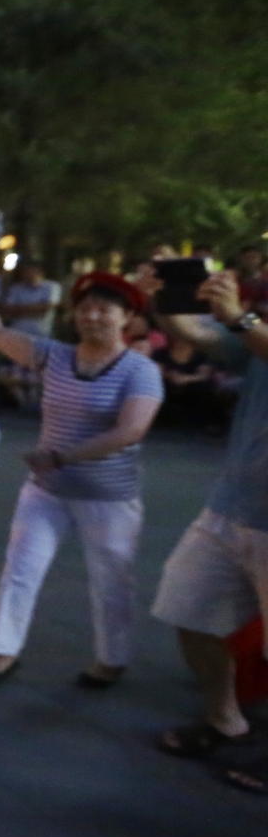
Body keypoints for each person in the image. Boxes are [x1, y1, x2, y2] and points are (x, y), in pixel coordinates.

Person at [0, 274, 164, 688]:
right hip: (46, 489)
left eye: (104, 309)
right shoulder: (54, 356)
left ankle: (111, 659)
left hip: (108, 495)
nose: (92, 316)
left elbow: (131, 431)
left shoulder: (140, 371)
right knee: (21, 568)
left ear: (127, 317)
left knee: (111, 577)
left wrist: (64, 456)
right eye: (85, 308)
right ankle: (2, 650)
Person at [144, 269, 268, 781]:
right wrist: (160, 302)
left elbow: (246, 329)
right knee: (189, 608)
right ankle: (225, 718)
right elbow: (196, 335)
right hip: (231, 506)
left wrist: (241, 316)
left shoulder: (255, 324)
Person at [0, 259, 61, 338]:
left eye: (30, 270)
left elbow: (46, 308)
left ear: (40, 271)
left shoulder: (52, 287)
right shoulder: (15, 289)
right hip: (17, 334)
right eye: (25, 271)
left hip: (42, 334)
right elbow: (7, 310)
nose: (27, 274)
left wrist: (18, 309)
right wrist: (36, 307)